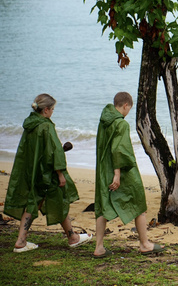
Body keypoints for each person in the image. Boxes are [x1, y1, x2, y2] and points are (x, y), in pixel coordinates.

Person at [3, 94, 92, 253]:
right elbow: (53, 152)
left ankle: (24, 240)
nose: (52, 112)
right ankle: (70, 238)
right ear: (45, 110)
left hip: (33, 171)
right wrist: (60, 174)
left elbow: (28, 150)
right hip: (47, 173)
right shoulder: (46, 126)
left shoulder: (30, 125)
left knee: (40, 202)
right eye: (52, 109)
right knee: (54, 201)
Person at [94, 92, 163, 257]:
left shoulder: (104, 120)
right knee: (138, 201)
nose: (128, 113)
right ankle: (145, 244)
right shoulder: (121, 124)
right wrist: (117, 174)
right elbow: (119, 149)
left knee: (103, 206)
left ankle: (99, 247)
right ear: (125, 105)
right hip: (121, 170)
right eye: (129, 109)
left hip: (104, 169)